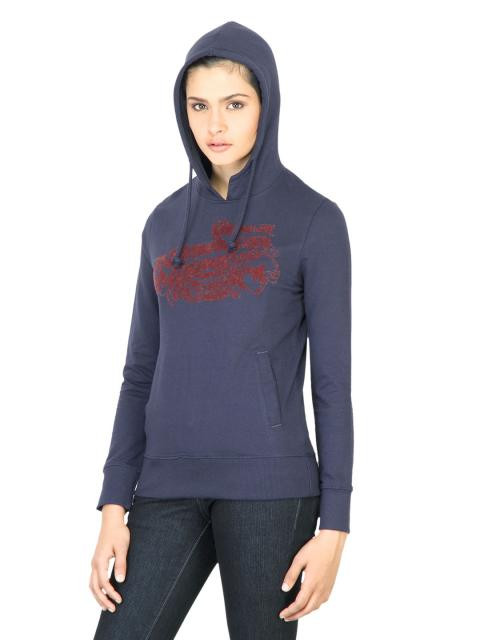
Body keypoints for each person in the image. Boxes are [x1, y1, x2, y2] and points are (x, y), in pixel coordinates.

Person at [90, 20, 354, 640]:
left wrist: (335, 525)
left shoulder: (314, 220)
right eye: (198, 105)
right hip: (166, 485)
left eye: (234, 105)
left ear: (266, 104)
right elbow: (139, 373)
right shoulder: (163, 224)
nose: (214, 125)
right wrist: (112, 503)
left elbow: (332, 385)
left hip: (271, 489)